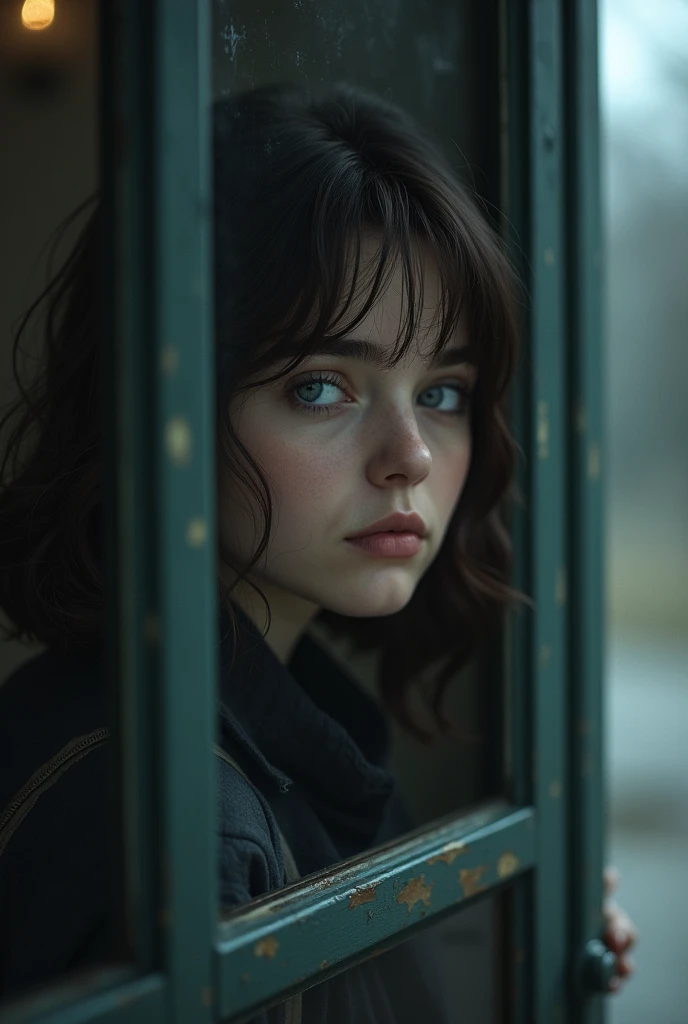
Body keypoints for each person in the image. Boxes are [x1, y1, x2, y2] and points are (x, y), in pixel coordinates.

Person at [0, 82, 636, 1017]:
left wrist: (515, 946)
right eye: (321, 388)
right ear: (159, 406)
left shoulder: (275, 745)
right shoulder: (183, 828)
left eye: (444, 391)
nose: (410, 456)